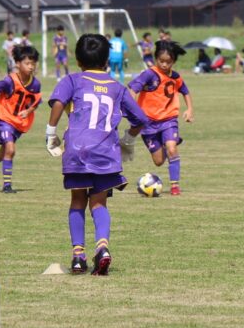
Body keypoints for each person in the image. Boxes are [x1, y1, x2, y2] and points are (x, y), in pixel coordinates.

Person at [45, 34, 148, 275]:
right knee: (99, 203)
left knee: (77, 201)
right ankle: (102, 248)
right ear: (106, 61)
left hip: (77, 151)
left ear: (78, 60)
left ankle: (78, 256)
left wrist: (50, 133)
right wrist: (128, 139)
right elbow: (141, 119)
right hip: (106, 153)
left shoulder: (72, 80)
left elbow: (58, 102)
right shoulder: (117, 87)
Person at [127, 40, 194, 196]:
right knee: (158, 161)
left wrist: (190, 109)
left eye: (168, 62)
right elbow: (132, 89)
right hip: (148, 124)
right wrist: (132, 108)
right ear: (156, 58)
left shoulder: (176, 77)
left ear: (173, 61)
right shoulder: (149, 74)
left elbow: (185, 92)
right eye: (161, 61)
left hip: (168, 120)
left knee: (172, 148)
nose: (164, 64)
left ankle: (175, 185)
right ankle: (167, 141)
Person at [0, 45, 42, 194]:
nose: (31, 67)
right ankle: (7, 186)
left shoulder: (35, 84)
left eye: (33, 64)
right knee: (10, 149)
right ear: (18, 63)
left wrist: (28, 111)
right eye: (27, 63)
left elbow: (37, 102)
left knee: (2, 155)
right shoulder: (9, 81)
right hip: (4, 119)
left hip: (18, 125)